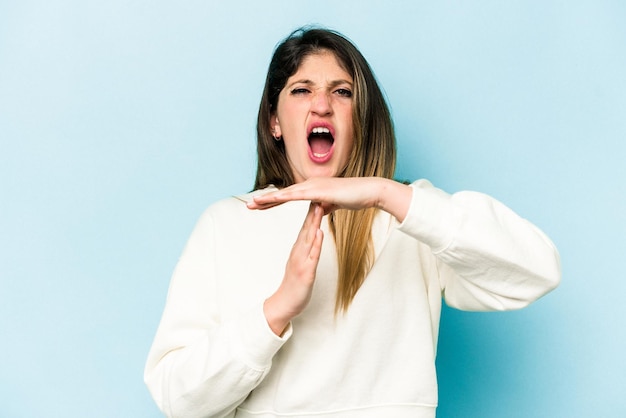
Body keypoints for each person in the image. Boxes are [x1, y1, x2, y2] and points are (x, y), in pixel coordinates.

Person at [144, 27, 561, 418]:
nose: (321, 104)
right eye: (301, 90)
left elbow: (537, 271)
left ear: (360, 118)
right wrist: (275, 311)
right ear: (274, 121)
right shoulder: (227, 223)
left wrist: (385, 194)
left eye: (341, 92)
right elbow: (176, 395)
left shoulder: (410, 217)